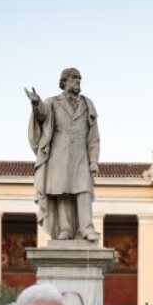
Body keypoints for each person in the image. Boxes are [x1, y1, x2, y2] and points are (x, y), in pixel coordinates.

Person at [25, 67, 101, 243]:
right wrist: (36, 104)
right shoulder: (53, 102)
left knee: (84, 190)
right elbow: (42, 115)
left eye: (79, 79)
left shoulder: (87, 104)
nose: (77, 82)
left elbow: (94, 136)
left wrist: (94, 160)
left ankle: (87, 228)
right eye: (74, 79)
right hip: (59, 155)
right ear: (64, 82)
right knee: (62, 191)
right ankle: (65, 229)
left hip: (81, 155)